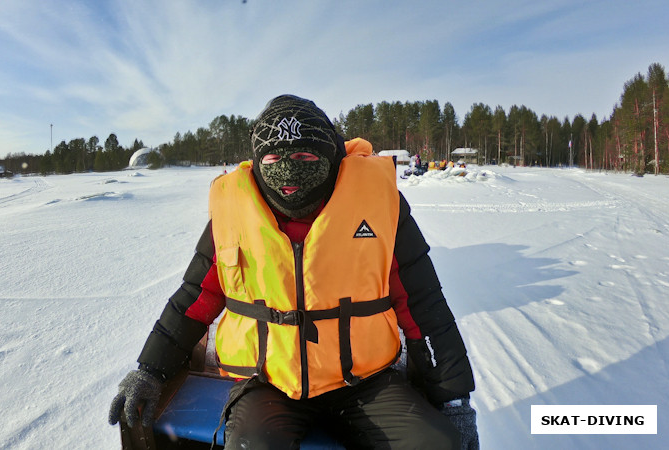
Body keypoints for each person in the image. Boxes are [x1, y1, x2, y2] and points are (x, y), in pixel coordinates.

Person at [109, 95, 478, 449]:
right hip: (267, 382)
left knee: (436, 443)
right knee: (255, 445)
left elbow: (423, 304)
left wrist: (454, 400)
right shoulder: (233, 215)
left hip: (364, 380)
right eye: (272, 157)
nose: (287, 170)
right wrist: (149, 369)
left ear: (330, 154)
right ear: (257, 159)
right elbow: (194, 299)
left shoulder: (380, 205)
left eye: (303, 155)